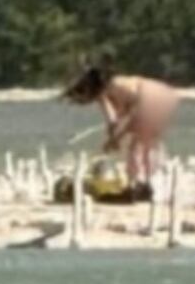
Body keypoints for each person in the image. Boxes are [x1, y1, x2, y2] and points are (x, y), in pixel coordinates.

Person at [62, 62, 179, 199]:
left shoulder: (103, 92)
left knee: (135, 148)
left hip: (145, 97)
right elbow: (123, 117)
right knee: (146, 144)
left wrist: (112, 140)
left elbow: (113, 120)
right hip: (163, 93)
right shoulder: (118, 82)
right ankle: (148, 183)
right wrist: (116, 136)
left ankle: (135, 185)